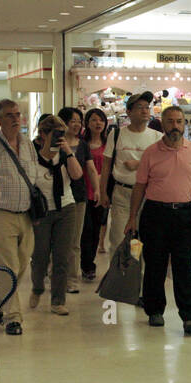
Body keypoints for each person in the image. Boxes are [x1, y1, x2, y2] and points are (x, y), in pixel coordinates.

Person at [125, 105, 191, 334]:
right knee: (155, 266)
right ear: (162, 125)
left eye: (179, 122)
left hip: (185, 215)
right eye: (170, 121)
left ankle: (190, 316)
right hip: (155, 215)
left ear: (184, 124)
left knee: (184, 267)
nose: (175, 126)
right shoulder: (151, 152)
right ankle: (155, 310)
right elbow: (140, 186)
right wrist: (132, 217)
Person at [0, 99, 45, 335]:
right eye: (9, 115)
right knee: (7, 266)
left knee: (20, 266)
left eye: (18, 114)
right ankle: (12, 317)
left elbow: (35, 173)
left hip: (26, 214)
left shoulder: (28, 145)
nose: (16, 119)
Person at [29, 114, 83, 316]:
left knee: (62, 257)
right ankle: (37, 287)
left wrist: (68, 151)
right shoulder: (32, 156)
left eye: (63, 134)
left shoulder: (65, 154)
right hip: (42, 211)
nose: (60, 138)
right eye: (55, 134)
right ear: (43, 134)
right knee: (40, 256)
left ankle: (58, 300)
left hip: (66, 208)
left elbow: (77, 176)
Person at [99, 91, 159, 253]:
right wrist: (103, 192)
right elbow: (106, 164)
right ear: (129, 112)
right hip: (121, 192)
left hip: (148, 195)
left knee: (142, 241)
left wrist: (139, 163)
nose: (145, 110)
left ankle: (137, 276)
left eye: (147, 107)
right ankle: (118, 276)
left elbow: (162, 165)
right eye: (140, 107)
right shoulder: (117, 134)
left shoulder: (157, 137)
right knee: (119, 239)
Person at [58, 107, 98, 293]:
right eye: (73, 120)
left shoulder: (83, 145)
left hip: (78, 197)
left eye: (79, 121)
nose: (77, 124)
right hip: (56, 197)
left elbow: (90, 168)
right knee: (57, 240)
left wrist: (97, 189)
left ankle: (71, 280)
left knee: (74, 241)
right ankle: (56, 273)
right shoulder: (54, 143)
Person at [81, 108, 110, 274]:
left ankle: (89, 263)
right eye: (93, 120)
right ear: (87, 123)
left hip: (101, 191)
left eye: (101, 120)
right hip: (84, 191)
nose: (98, 123)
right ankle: (87, 265)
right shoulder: (81, 144)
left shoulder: (108, 144)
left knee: (96, 230)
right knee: (86, 230)